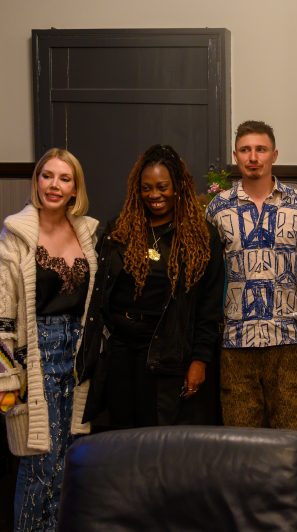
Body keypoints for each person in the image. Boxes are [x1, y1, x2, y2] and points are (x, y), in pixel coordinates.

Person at [78, 144, 224, 428]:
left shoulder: (201, 237)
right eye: (146, 188)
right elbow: (100, 293)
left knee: (159, 439)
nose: (154, 195)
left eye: (162, 186)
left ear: (178, 187)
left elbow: (209, 307)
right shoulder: (118, 231)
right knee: (121, 436)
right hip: (120, 351)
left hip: (169, 352)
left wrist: (200, 361)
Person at [0, 148, 98, 531]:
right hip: (35, 356)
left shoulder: (87, 232)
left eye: (64, 178)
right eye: (47, 176)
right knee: (38, 462)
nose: (54, 185)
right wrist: (8, 377)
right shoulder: (16, 234)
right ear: (36, 181)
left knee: (71, 462)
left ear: (75, 188)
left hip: (77, 358)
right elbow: (3, 310)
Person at [206, 121, 297, 430]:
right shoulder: (217, 208)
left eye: (261, 149)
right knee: (242, 443)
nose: (253, 157)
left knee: (291, 439)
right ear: (235, 156)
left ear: (274, 154)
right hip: (236, 343)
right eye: (245, 150)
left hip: (289, 340)